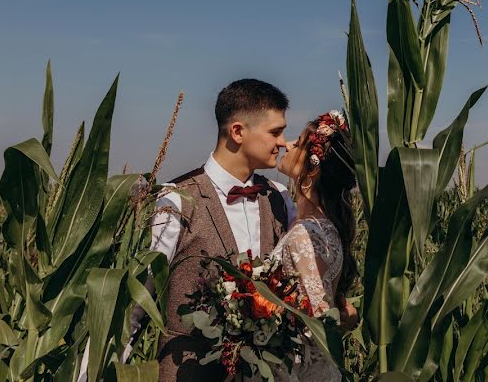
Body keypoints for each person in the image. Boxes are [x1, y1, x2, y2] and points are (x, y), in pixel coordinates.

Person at [153, 79, 296, 381]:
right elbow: (139, 299)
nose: (283, 142)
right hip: (187, 372)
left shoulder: (280, 198)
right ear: (238, 132)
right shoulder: (176, 199)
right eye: (275, 132)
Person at [270, 109, 359, 382]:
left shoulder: (305, 235)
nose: (289, 144)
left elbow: (315, 323)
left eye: (298, 141)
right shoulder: (326, 226)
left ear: (313, 165)